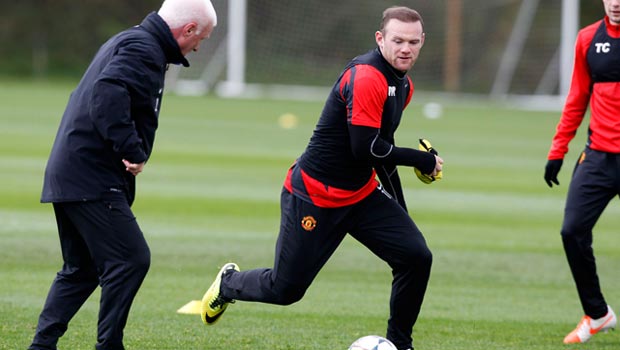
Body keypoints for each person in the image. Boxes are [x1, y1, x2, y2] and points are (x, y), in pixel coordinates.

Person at [200, 6, 442, 350]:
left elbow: (381, 150)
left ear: (422, 42)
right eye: (398, 40)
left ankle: (400, 344)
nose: (406, 48)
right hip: (314, 196)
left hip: (359, 194)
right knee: (285, 291)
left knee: (416, 256)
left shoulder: (403, 86)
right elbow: (366, 149)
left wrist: (400, 211)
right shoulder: (368, 77)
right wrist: (422, 159)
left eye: (413, 42)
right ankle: (229, 283)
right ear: (380, 39)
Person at [28, 1, 217, 349]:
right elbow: (106, 93)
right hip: (91, 176)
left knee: (81, 270)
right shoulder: (142, 48)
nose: (198, 47)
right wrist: (130, 148)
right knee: (130, 259)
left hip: (72, 172)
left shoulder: (132, 40)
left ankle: (41, 345)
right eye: (200, 38)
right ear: (188, 29)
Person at [544, 0, 620, 344]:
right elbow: (577, 96)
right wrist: (557, 150)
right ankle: (597, 313)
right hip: (598, 159)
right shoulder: (589, 38)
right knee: (572, 231)